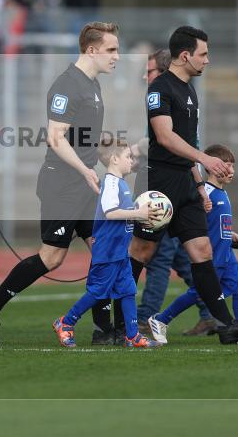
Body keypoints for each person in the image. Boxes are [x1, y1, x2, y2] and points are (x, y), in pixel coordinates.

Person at [0, 22, 120, 346]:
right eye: (111, 49)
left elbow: (86, 140)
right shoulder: (68, 85)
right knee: (52, 258)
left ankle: (104, 329)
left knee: (104, 250)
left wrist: (112, 161)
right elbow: (56, 137)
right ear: (92, 50)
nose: (117, 56)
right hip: (62, 183)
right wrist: (85, 169)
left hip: (84, 181)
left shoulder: (93, 85)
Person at [128, 25, 238, 345]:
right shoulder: (160, 87)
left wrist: (199, 185)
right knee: (141, 253)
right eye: (203, 54)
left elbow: (186, 141)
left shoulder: (190, 89)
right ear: (185, 56)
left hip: (186, 183)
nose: (207, 60)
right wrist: (206, 160)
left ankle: (227, 326)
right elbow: (165, 137)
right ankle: (119, 324)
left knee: (202, 251)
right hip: (159, 184)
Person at [147, 144, 238, 346]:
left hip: (227, 255)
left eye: (233, 166)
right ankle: (160, 319)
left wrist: (232, 234)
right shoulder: (205, 193)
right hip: (211, 256)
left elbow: (216, 224)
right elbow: (195, 225)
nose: (231, 171)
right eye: (227, 165)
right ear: (212, 167)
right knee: (198, 293)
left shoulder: (222, 193)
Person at [131, 49, 214, 340]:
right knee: (185, 259)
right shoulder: (170, 97)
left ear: (164, 70)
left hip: (170, 187)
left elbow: (181, 146)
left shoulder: (168, 95)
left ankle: (141, 319)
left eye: (150, 70)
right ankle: (210, 313)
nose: (146, 76)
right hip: (174, 184)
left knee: (158, 259)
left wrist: (199, 185)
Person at [53, 138, 162, 349]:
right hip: (108, 249)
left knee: (128, 290)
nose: (132, 161)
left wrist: (139, 215)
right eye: (128, 156)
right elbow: (111, 213)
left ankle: (132, 336)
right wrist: (139, 213)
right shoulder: (111, 183)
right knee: (98, 292)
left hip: (120, 250)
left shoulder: (120, 183)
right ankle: (66, 322)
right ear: (114, 159)